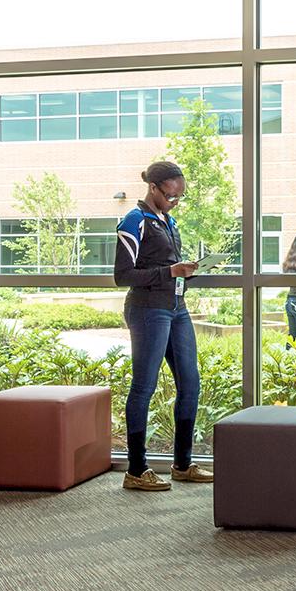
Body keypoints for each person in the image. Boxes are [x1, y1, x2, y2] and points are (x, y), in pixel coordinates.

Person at [113, 161, 213, 492]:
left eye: (179, 197)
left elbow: (167, 267)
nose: (175, 202)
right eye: (171, 195)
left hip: (176, 309)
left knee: (191, 383)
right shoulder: (134, 220)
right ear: (154, 188)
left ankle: (182, 465)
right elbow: (123, 275)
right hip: (147, 310)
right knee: (144, 386)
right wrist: (170, 272)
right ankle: (137, 470)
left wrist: (186, 271)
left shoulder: (168, 221)